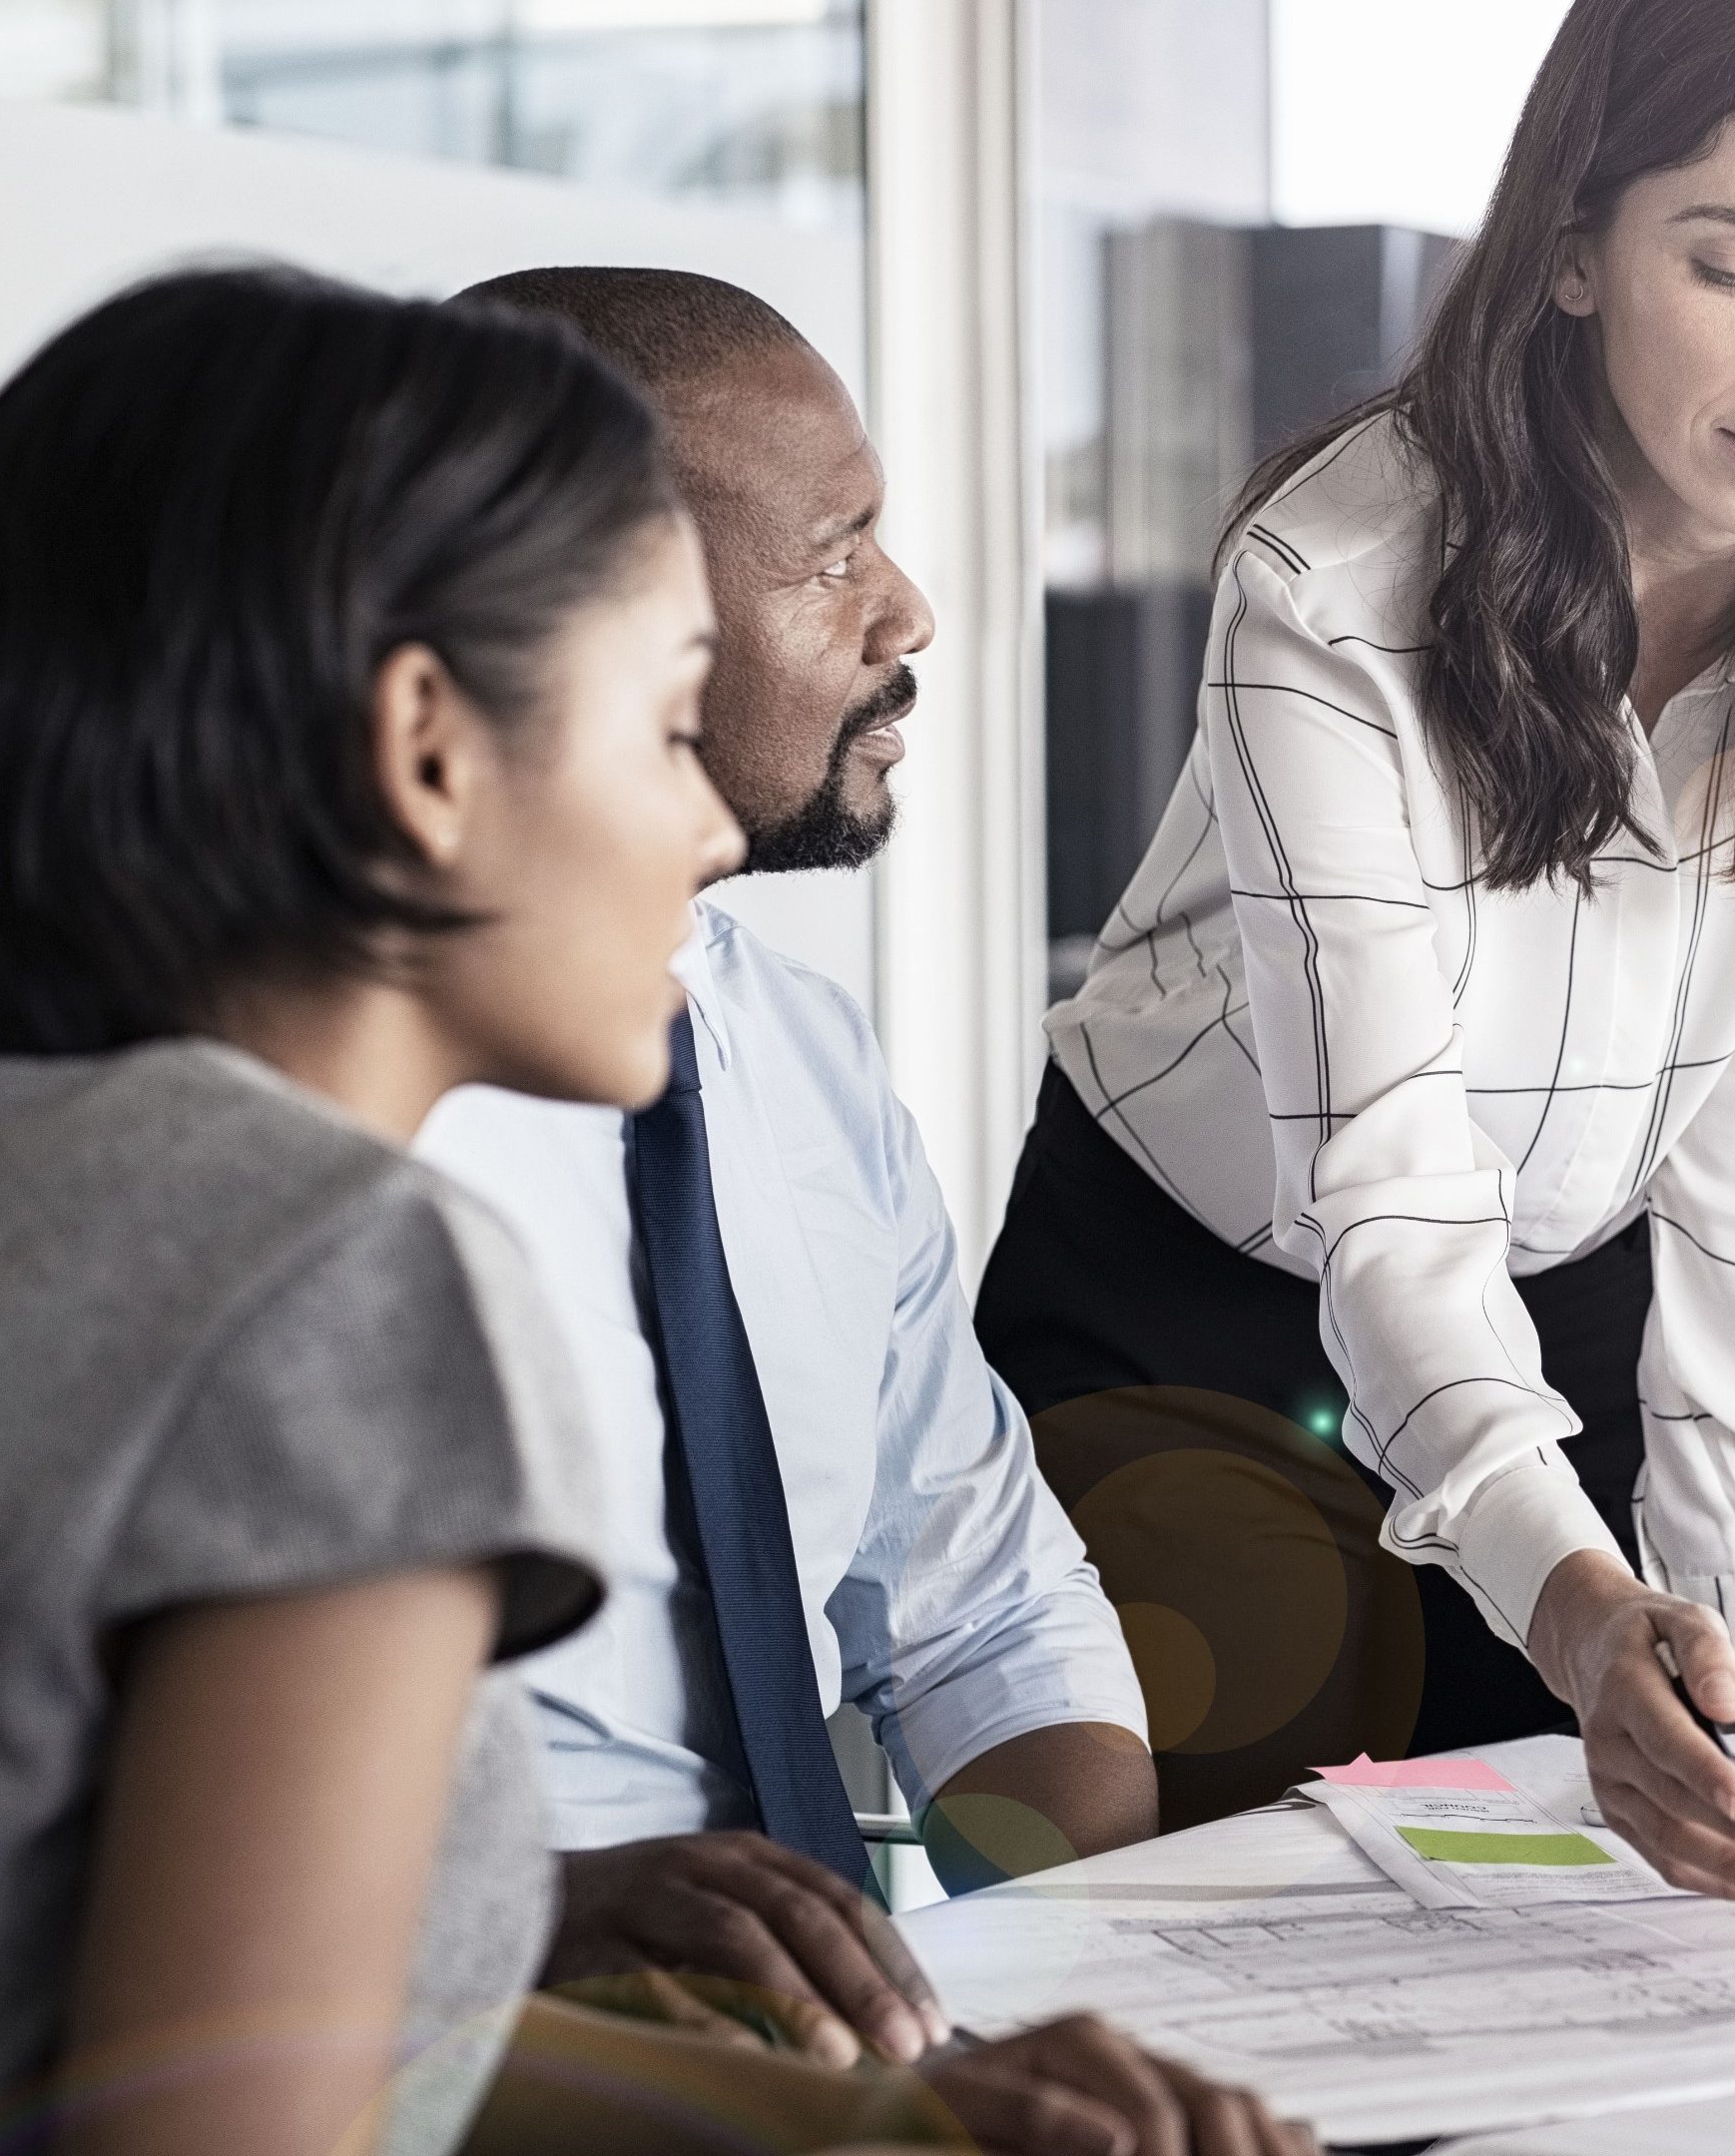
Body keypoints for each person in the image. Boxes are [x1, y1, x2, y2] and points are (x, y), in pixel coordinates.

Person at [0, 267, 1302, 2156]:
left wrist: (866, 2129)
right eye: (661, 718)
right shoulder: (325, 1273)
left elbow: (236, 2038)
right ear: (433, 751)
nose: (697, 837)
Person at [973, 0, 1735, 1889]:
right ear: (1571, 247)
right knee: (1231, 1940)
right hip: (1204, 1296)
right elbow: (1386, 1197)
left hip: (1566, 1290)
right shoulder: (1333, 585)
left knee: (1602, 1927)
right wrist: (1567, 1607)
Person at [416, 268, 1155, 2067]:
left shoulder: (798, 1052)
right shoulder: (335, 1134)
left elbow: (983, 1605)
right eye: (834, 553)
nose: (909, 609)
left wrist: (1069, 1980)